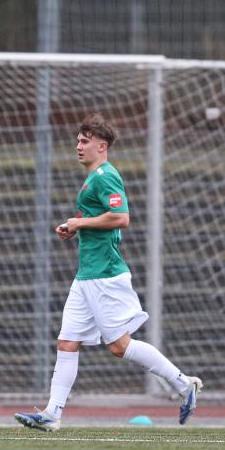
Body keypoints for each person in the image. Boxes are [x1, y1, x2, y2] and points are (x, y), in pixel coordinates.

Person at [15, 114, 202, 431]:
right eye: (77, 140)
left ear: (102, 146)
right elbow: (101, 219)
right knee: (67, 342)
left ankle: (184, 385)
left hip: (104, 274)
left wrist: (79, 223)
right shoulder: (92, 178)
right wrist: (75, 229)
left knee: (119, 346)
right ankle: (52, 414)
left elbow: (121, 217)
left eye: (85, 141)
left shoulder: (105, 176)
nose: (78, 145)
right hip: (86, 274)